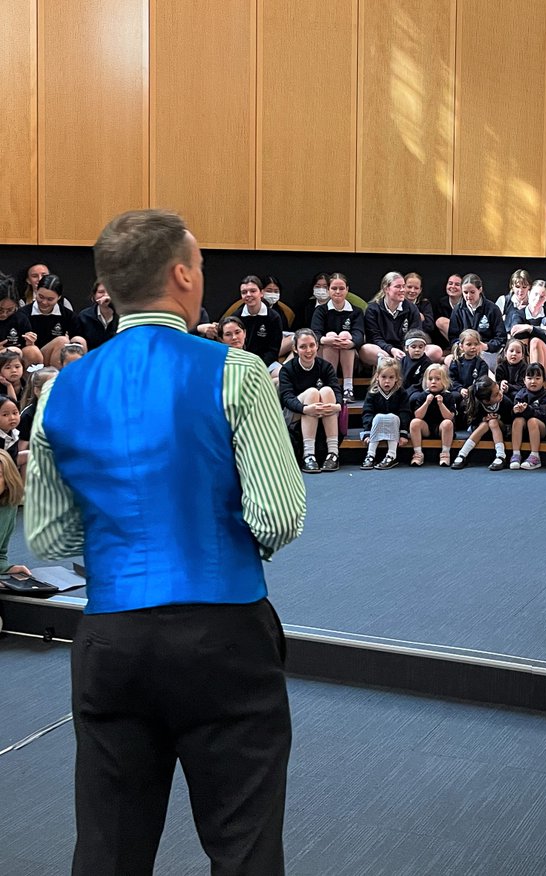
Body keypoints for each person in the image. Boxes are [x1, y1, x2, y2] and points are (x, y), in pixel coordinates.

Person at [26, 209, 305, 875]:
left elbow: (50, 534)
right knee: (244, 851)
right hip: (224, 632)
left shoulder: (60, 387)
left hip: (112, 639)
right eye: (201, 263)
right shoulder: (235, 370)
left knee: (109, 852)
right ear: (181, 274)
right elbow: (279, 516)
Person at [279, 327, 342, 473]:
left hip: (322, 411)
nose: (308, 350)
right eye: (303, 347)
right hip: (294, 413)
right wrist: (305, 409)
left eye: (312, 345)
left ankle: (333, 453)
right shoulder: (287, 369)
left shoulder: (325, 366)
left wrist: (337, 406)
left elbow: (337, 390)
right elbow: (287, 398)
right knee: (313, 392)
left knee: (326, 390)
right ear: (295, 349)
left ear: (317, 346)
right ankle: (308, 455)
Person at [311, 273, 364, 404]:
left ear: (347, 289)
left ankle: (348, 388)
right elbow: (315, 334)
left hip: (350, 356)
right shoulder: (320, 310)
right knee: (330, 336)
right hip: (325, 352)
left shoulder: (356, 311)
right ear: (328, 290)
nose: (338, 292)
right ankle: (331, 384)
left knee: (345, 336)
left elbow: (359, 335)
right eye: (334, 288)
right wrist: (326, 340)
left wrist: (350, 343)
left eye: (341, 288)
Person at [361, 271, 423, 370]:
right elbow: (374, 338)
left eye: (403, 286)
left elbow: (415, 334)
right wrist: (391, 350)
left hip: (405, 351)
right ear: (386, 289)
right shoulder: (373, 309)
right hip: (383, 350)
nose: (402, 290)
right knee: (365, 349)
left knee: (435, 351)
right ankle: (393, 364)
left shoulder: (412, 308)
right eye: (398, 286)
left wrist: (406, 350)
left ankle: (395, 364)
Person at [451, 376, 512, 471]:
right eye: (496, 394)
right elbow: (471, 421)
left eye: (499, 390)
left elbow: (510, 419)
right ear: (486, 401)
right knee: (485, 423)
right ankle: (462, 454)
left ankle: (501, 456)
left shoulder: (505, 402)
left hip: (500, 430)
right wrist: (483, 419)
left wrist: (499, 418)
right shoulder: (476, 405)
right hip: (480, 431)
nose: (500, 394)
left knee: (492, 422)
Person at [359, 358, 410, 470]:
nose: (387, 381)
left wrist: (403, 433)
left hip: (394, 427)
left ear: (396, 378)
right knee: (378, 417)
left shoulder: (401, 393)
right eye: (384, 377)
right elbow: (367, 412)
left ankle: (392, 454)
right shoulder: (373, 393)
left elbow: (404, 413)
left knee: (392, 417)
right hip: (376, 426)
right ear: (377, 376)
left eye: (391, 377)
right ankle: (370, 454)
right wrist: (367, 433)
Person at [450, 273, 506, 368]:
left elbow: (501, 338)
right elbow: (453, 336)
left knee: (481, 364)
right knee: (449, 361)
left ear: (480, 290)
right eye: (465, 292)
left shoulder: (492, 309)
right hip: (465, 352)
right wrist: (461, 346)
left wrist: (486, 346)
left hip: (486, 352)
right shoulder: (458, 309)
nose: (468, 296)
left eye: (472, 292)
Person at [407, 364, 456, 467]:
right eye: (430, 379)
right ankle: (418, 453)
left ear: (445, 381)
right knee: (414, 423)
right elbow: (418, 416)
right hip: (426, 428)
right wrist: (426, 403)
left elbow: (449, 417)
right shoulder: (422, 396)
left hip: (441, 429)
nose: (433, 381)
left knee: (447, 423)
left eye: (437, 379)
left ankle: (445, 453)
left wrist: (441, 404)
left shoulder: (448, 396)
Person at [234, 275, 283, 368]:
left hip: (265, 364)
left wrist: (258, 366)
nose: (248, 295)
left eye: (253, 291)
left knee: (280, 373)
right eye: (244, 292)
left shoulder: (274, 317)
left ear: (261, 293)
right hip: (242, 363)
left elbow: (273, 351)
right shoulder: (236, 317)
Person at [509, 362, 546, 470]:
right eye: (529, 378)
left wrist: (528, 409)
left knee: (532, 421)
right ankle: (516, 454)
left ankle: (535, 456)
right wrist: (515, 411)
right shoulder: (520, 394)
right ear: (524, 380)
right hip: (525, 429)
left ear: (543, 381)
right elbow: (512, 416)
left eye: (538, 378)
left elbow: (542, 415)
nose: (533, 381)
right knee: (518, 420)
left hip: (542, 428)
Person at [74, 281, 119, 353]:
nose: (106, 295)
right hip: (92, 357)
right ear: (94, 296)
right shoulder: (84, 316)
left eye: (110, 292)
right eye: (101, 292)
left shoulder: (122, 316)